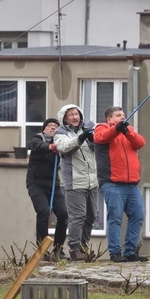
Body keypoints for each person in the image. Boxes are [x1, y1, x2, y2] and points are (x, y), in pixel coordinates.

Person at [93, 107, 147, 263]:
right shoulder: (101, 128)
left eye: (123, 115)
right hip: (112, 183)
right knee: (115, 218)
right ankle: (115, 252)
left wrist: (126, 131)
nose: (122, 117)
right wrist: (117, 129)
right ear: (109, 119)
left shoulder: (127, 130)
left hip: (132, 183)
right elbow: (101, 137)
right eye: (118, 115)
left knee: (137, 216)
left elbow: (140, 142)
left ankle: (130, 251)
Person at [53, 104, 98, 262]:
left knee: (91, 217)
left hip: (92, 181)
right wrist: (81, 137)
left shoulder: (87, 128)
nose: (75, 117)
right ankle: (74, 249)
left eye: (76, 113)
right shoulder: (60, 133)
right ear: (64, 118)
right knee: (77, 216)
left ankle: (84, 247)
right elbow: (65, 147)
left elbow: (97, 145)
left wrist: (92, 138)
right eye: (71, 114)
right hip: (75, 182)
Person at [26, 118, 68, 261]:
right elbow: (35, 145)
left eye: (56, 126)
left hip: (53, 186)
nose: (52, 127)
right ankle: (42, 250)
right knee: (44, 212)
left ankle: (58, 250)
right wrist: (50, 147)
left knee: (63, 214)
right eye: (49, 126)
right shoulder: (38, 138)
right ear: (44, 129)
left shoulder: (61, 142)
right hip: (36, 184)